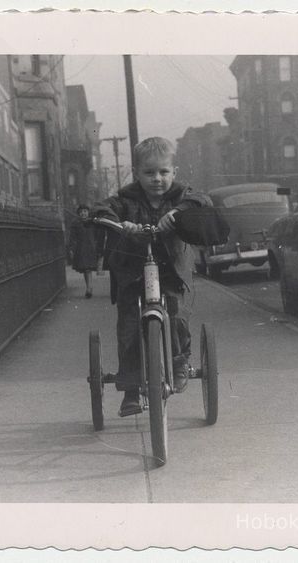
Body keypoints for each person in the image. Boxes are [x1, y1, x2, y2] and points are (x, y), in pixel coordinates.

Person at [92, 137, 212, 417]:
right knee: (130, 326)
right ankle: (132, 389)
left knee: (178, 313)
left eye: (163, 172)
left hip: (171, 269)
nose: (157, 178)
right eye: (149, 173)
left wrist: (177, 212)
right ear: (136, 173)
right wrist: (121, 223)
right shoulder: (126, 198)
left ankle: (180, 361)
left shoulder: (180, 195)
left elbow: (203, 200)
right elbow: (100, 209)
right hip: (134, 270)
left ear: (174, 172)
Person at [68, 204, 104, 298]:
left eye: (85, 211)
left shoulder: (93, 223)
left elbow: (98, 235)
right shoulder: (76, 224)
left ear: (88, 212)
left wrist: (98, 246)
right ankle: (89, 287)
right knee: (85, 269)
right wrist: (71, 248)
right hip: (80, 249)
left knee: (88, 269)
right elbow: (72, 237)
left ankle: (89, 288)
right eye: (81, 212)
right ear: (78, 214)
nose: (83, 214)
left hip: (91, 248)